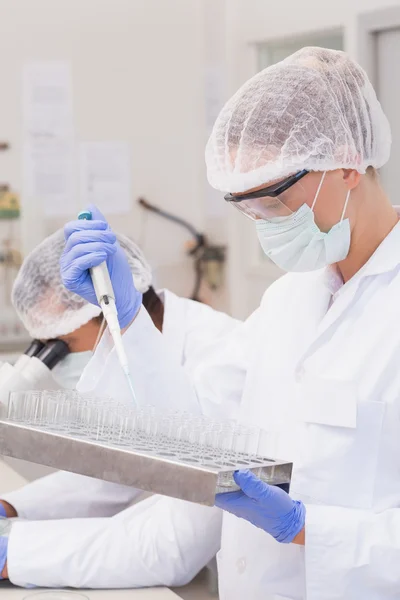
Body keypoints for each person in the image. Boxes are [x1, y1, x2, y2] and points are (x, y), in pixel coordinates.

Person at [57, 46, 400, 599]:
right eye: (245, 206)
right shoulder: (289, 301)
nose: (262, 224)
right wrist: (126, 322)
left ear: (347, 160)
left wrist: (307, 527)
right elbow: (193, 428)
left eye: (273, 198)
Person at [0, 227, 241, 588]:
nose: (57, 362)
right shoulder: (147, 353)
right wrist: (11, 507)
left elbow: (171, 543)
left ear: (108, 313)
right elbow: (115, 472)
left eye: (62, 344)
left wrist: (12, 555)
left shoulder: (219, 364)